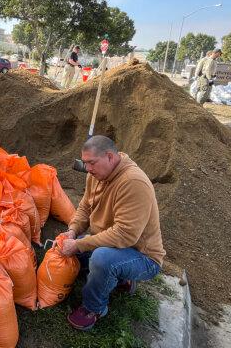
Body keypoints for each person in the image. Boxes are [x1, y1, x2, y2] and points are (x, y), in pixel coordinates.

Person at [59, 136, 165, 331]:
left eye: (91, 163)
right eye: (85, 163)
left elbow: (125, 235)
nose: (87, 168)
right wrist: (72, 232)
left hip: (142, 255)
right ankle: (121, 280)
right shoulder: (96, 174)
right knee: (75, 252)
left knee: (101, 259)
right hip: (115, 245)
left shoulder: (133, 182)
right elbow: (84, 207)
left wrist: (79, 245)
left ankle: (94, 309)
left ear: (109, 156)